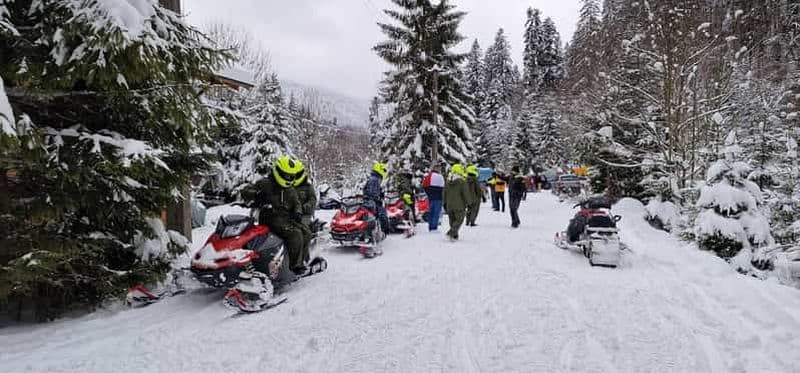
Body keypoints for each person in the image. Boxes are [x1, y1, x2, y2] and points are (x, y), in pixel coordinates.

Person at [246, 156, 308, 274]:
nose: (289, 178)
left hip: (286, 218)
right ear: (278, 172)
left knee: (306, 232)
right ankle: (295, 266)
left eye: (291, 176)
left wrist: (298, 212)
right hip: (269, 217)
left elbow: (296, 203)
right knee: (295, 234)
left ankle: (303, 259)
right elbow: (247, 190)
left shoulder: (290, 189)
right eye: (287, 175)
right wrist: (255, 195)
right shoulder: (265, 183)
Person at [294, 160, 316, 263]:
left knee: (303, 233)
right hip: (290, 214)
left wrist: (303, 208)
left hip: (304, 215)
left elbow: (313, 200)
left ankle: (304, 259)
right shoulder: (287, 185)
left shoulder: (307, 187)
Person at [444, 164, 470, 240]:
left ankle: (454, 235)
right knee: (459, 219)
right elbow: (465, 193)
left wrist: (444, 203)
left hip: (449, 204)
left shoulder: (448, 181)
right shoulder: (462, 181)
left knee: (452, 220)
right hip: (459, 205)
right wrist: (469, 202)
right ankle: (451, 233)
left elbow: (444, 193)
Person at [363, 161, 390, 234]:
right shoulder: (375, 179)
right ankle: (384, 230)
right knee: (382, 212)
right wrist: (378, 199)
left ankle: (380, 230)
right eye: (384, 170)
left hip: (368, 200)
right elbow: (372, 192)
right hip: (370, 201)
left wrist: (380, 193)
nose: (385, 173)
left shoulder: (373, 178)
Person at [422, 164, 445, 231]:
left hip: (430, 197)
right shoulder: (440, 177)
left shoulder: (428, 176)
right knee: (436, 213)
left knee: (431, 212)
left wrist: (428, 194)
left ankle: (430, 226)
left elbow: (424, 186)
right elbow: (443, 188)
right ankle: (434, 227)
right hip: (438, 197)